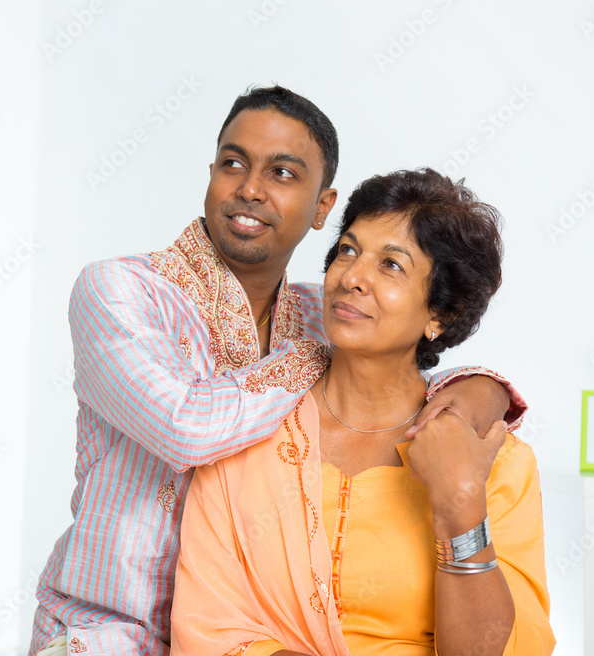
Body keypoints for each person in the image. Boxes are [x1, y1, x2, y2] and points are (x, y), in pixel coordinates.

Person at [30, 88, 528, 656]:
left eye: (283, 172)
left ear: (322, 207)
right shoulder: (121, 290)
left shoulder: (328, 308)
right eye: (233, 163)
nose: (250, 188)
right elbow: (185, 427)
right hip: (110, 632)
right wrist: (317, 353)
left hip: (256, 634)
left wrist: (478, 390)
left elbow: (401, 357)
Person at [171, 169, 554, 656]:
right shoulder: (248, 426)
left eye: (392, 265)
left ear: (443, 313)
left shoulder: (495, 460)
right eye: (348, 251)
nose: (351, 277)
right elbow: (208, 630)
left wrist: (460, 503)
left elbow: (511, 649)